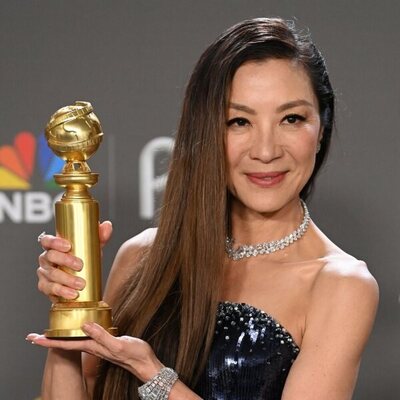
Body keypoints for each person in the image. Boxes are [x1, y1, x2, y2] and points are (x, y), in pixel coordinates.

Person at [28, 17, 379, 400]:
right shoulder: (142, 258)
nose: (266, 151)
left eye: (291, 119)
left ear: (321, 128)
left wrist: (154, 375)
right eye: (239, 121)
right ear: (206, 131)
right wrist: (69, 307)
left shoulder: (340, 285)